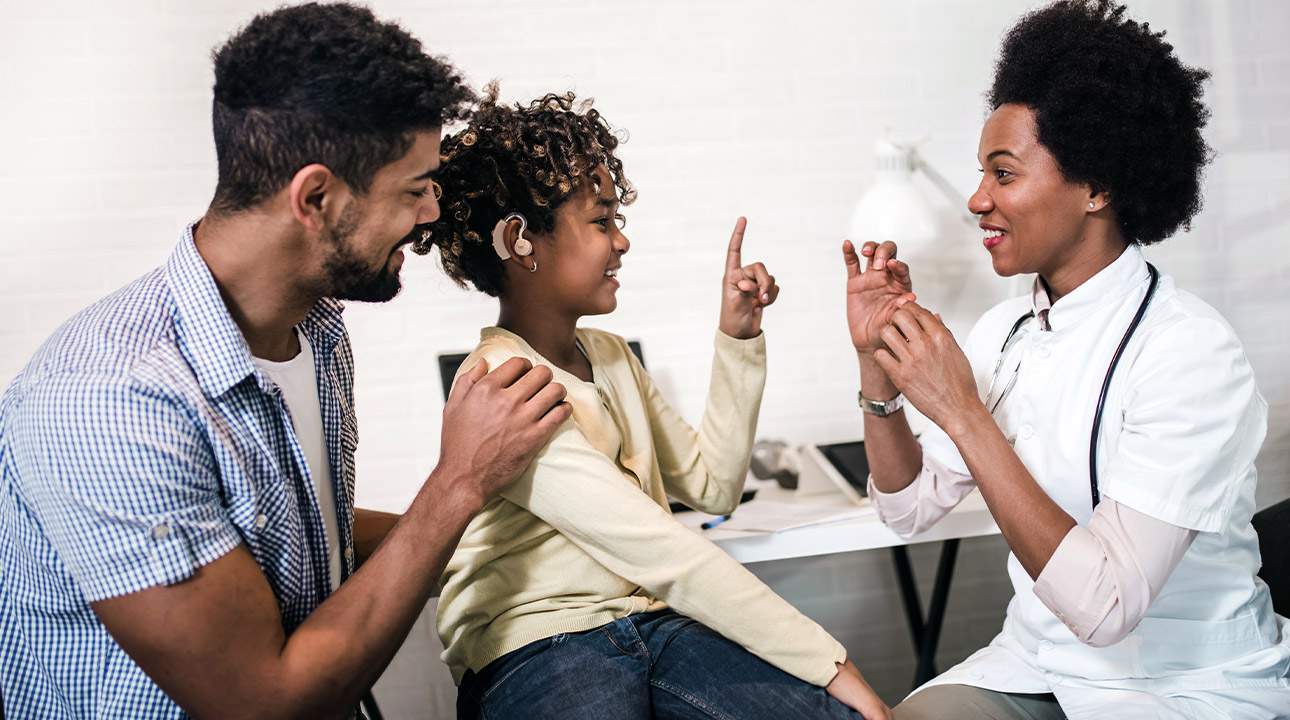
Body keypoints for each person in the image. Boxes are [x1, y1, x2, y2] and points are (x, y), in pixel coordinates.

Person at [0, 5, 572, 718]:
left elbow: (304, 538)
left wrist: (536, 536)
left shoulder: (318, 330)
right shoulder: (107, 403)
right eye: (413, 188)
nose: (431, 214)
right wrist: (458, 482)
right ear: (316, 197)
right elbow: (264, 702)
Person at [843, 1, 1290, 718]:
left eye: (1004, 174)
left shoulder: (1190, 353)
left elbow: (1108, 607)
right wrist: (877, 368)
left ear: (1097, 187)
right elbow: (905, 509)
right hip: (1035, 664)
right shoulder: (1005, 330)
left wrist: (962, 412)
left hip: (1179, 685)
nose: (977, 199)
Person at [413, 86, 891, 720]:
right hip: (539, 646)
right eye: (602, 220)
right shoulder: (503, 383)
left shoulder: (610, 356)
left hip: (653, 624)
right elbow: (661, 550)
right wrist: (829, 662)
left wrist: (738, 339)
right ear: (519, 239)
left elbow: (713, 487)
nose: (622, 241)